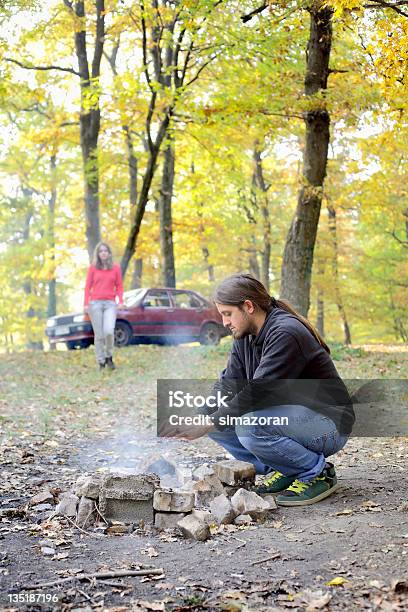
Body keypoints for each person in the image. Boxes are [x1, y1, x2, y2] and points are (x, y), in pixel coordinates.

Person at [162, 273, 355, 507]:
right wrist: (197, 419)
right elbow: (228, 384)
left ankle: (317, 473)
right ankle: (287, 468)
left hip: (329, 424)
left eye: (227, 314)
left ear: (248, 306)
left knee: (248, 425)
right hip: (294, 420)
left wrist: (208, 421)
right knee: (215, 423)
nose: (224, 323)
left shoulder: (286, 332)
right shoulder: (244, 335)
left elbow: (258, 391)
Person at [84, 242, 124, 370]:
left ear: (109, 253)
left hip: (110, 304)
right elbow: (87, 287)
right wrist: (85, 303)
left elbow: (119, 286)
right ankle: (101, 362)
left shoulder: (116, 268)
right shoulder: (92, 268)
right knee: (99, 335)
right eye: (101, 251)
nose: (103, 253)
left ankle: (109, 356)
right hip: (95, 304)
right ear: (98, 254)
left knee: (108, 332)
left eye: (105, 251)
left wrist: (121, 300)